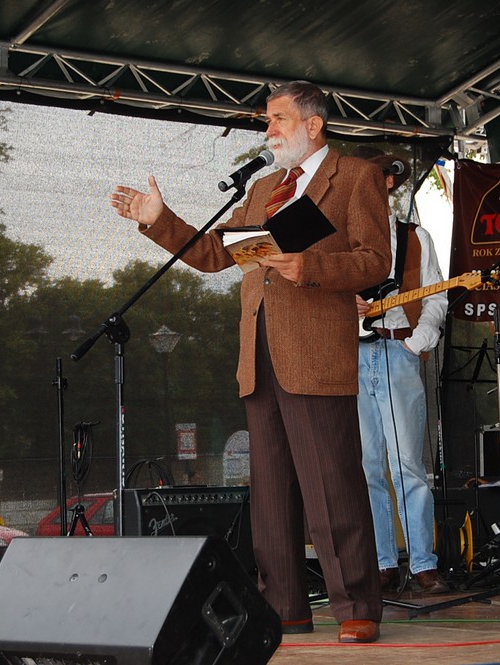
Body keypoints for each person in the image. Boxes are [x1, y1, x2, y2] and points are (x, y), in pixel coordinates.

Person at [110, 80, 390, 643]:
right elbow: (217, 255)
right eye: (267, 120)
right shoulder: (263, 187)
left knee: (332, 485)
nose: (269, 129)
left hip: (315, 353)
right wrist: (161, 219)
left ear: (313, 124)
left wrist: (310, 267)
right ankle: (283, 608)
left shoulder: (354, 177)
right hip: (258, 356)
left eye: (279, 118)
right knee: (271, 495)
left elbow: (376, 260)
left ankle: (357, 606)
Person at [356, 154, 449, 595]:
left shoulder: (415, 238)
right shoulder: (340, 239)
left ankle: (423, 562)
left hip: (399, 350)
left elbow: (437, 296)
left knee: (408, 464)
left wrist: (418, 340)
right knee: (366, 467)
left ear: (390, 185)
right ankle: (382, 562)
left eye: (379, 180)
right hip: (351, 357)